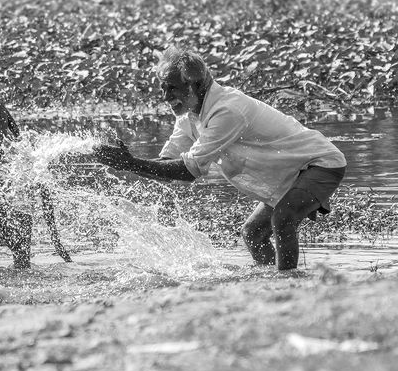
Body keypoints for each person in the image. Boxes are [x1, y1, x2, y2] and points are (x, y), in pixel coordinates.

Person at [92, 46, 347, 271]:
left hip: (320, 164)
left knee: (283, 218)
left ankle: (290, 283)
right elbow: (167, 163)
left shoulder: (227, 109)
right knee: (253, 234)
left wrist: (130, 163)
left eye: (172, 89)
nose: (165, 97)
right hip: (292, 172)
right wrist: (125, 161)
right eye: (162, 88)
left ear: (196, 85)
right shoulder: (189, 115)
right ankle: (273, 279)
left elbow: (187, 171)